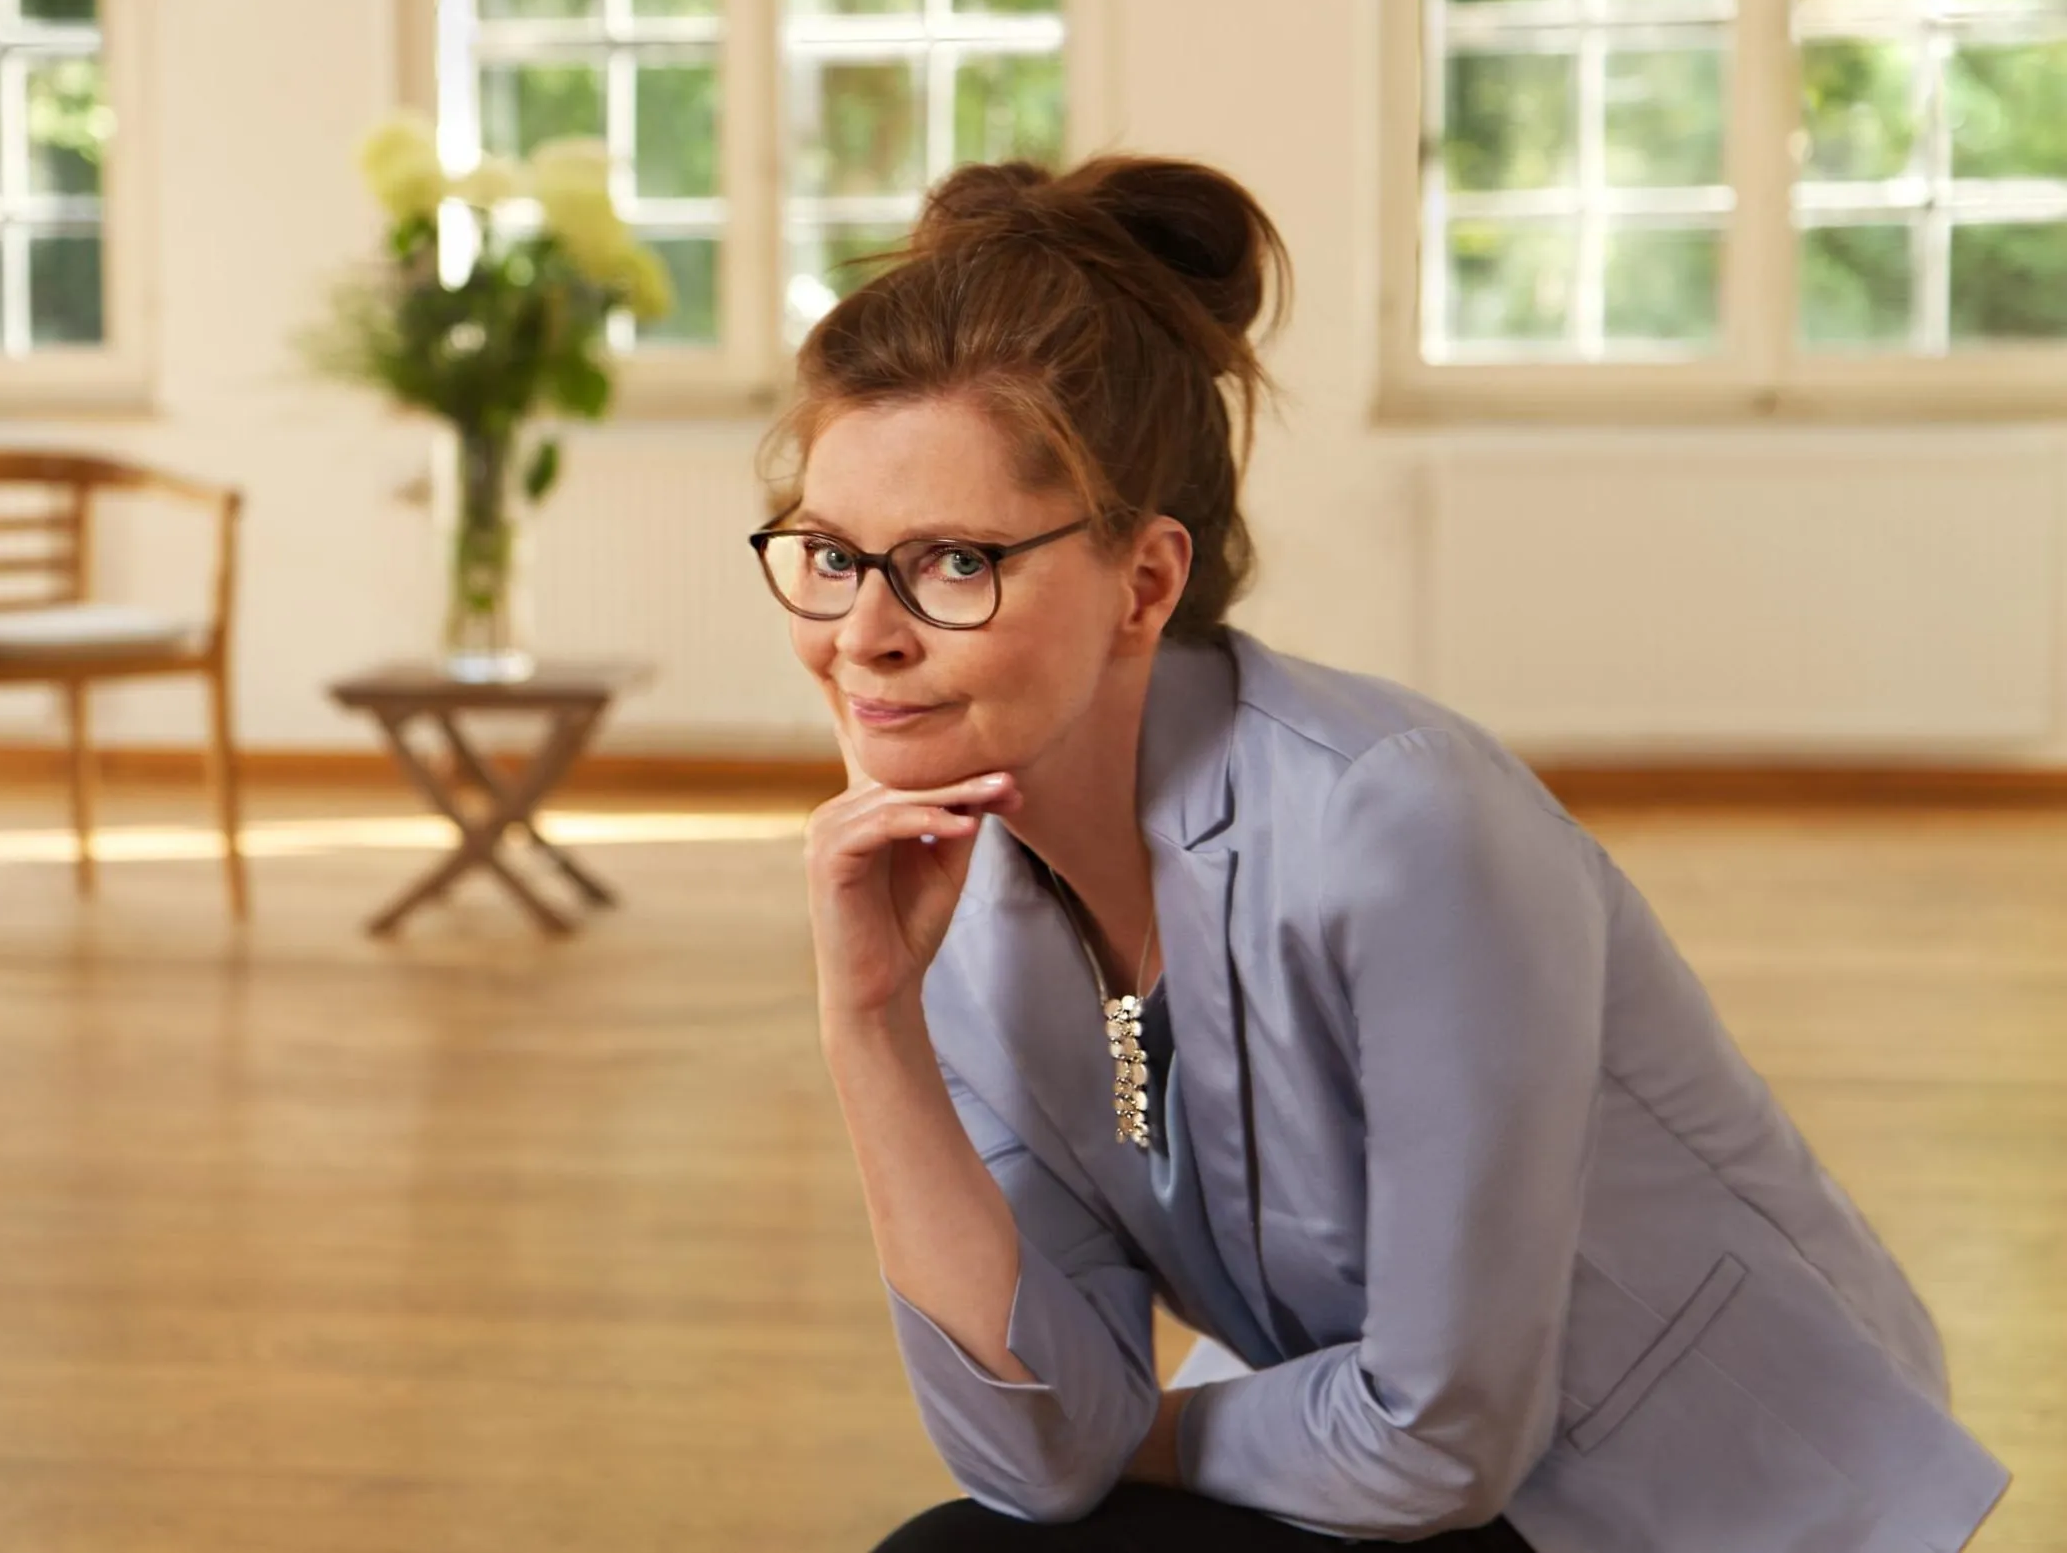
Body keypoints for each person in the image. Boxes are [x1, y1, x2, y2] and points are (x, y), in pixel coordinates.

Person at [746, 155, 2011, 1553]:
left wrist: (1143, 1431)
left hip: (1707, 1504)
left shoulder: (1397, 825)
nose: (863, 633)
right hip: (1387, 1475)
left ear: (1145, 583)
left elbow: (1441, 1445)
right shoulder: (963, 898)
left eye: (954, 563)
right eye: (828, 553)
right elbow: (1035, 1456)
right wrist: (870, 1022)